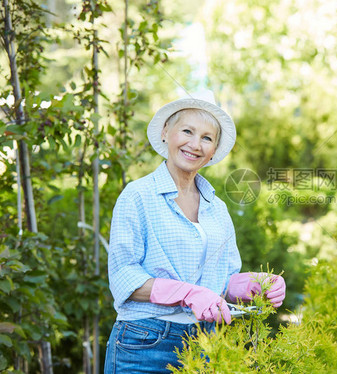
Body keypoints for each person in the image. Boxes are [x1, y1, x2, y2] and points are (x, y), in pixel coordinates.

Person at [104, 89, 286, 373]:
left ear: (214, 150)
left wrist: (255, 284)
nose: (195, 144)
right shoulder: (137, 196)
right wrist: (188, 293)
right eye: (187, 131)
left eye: (206, 138)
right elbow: (124, 278)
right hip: (144, 344)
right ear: (166, 132)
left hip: (204, 345)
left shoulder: (218, 209)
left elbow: (220, 283)